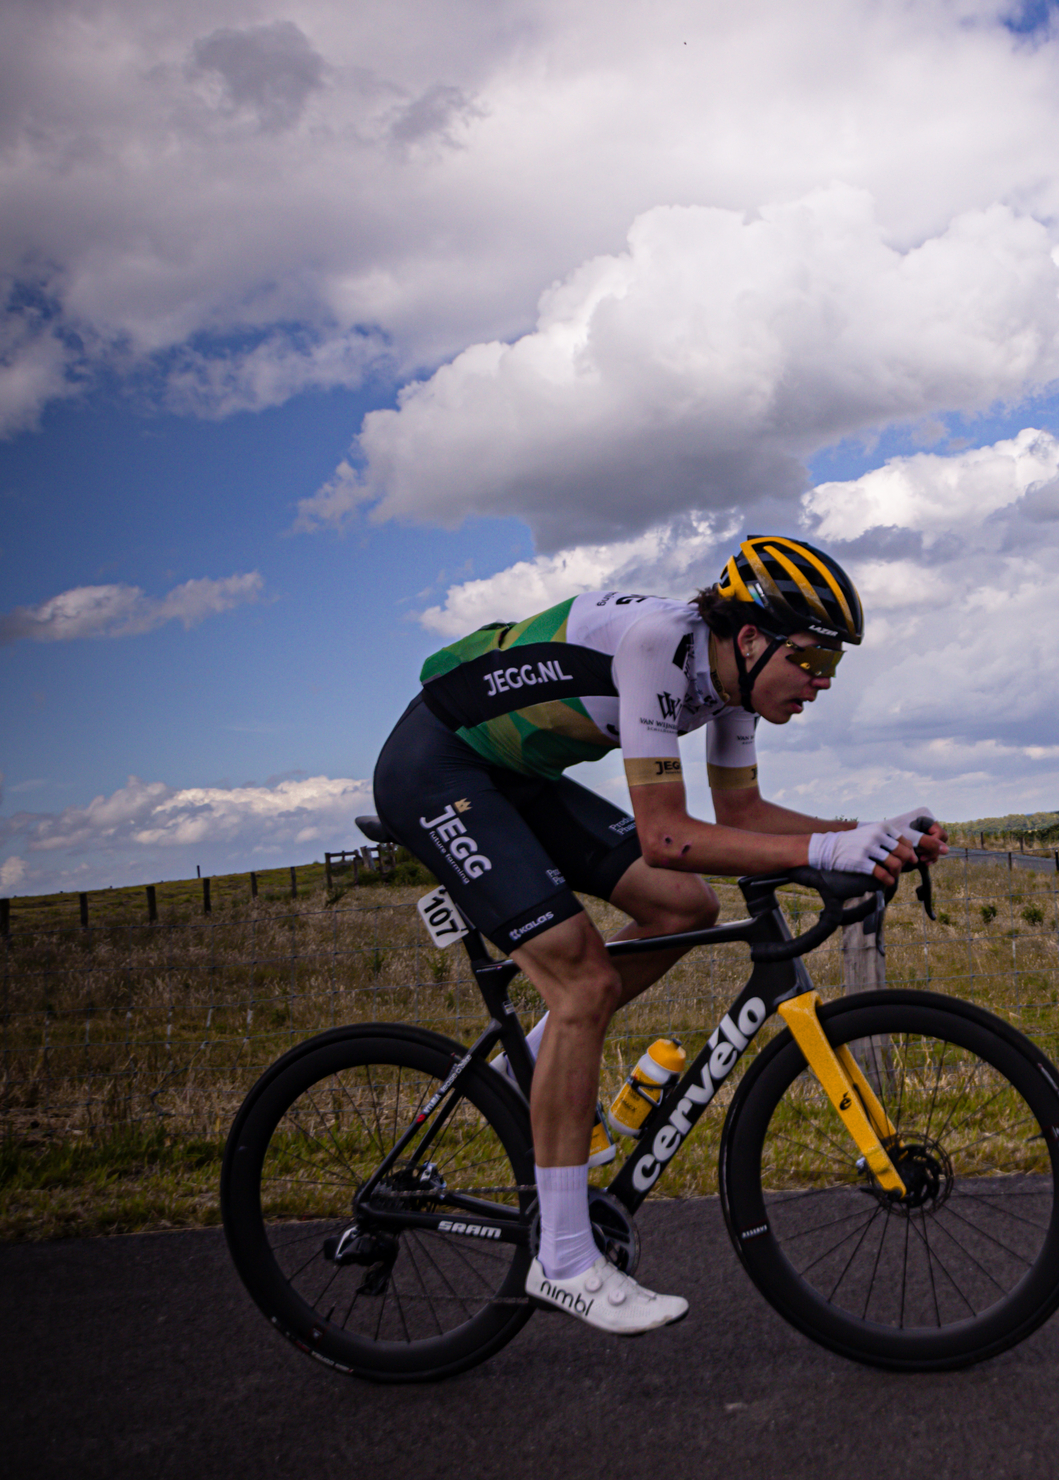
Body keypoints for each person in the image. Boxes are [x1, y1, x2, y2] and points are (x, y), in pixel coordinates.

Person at [371, 536, 944, 1337]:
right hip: (435, 768)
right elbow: (668, 836)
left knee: (685, 908)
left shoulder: (734, 680)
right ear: (750, 637)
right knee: (584, 982)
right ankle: (564, 1260)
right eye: (813, 661)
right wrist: (822, 852)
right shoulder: (658, 648)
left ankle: (524, 1069)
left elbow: (741, 817)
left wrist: (865, 835)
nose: (819, 684)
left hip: (518, 779)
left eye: (833, 668)